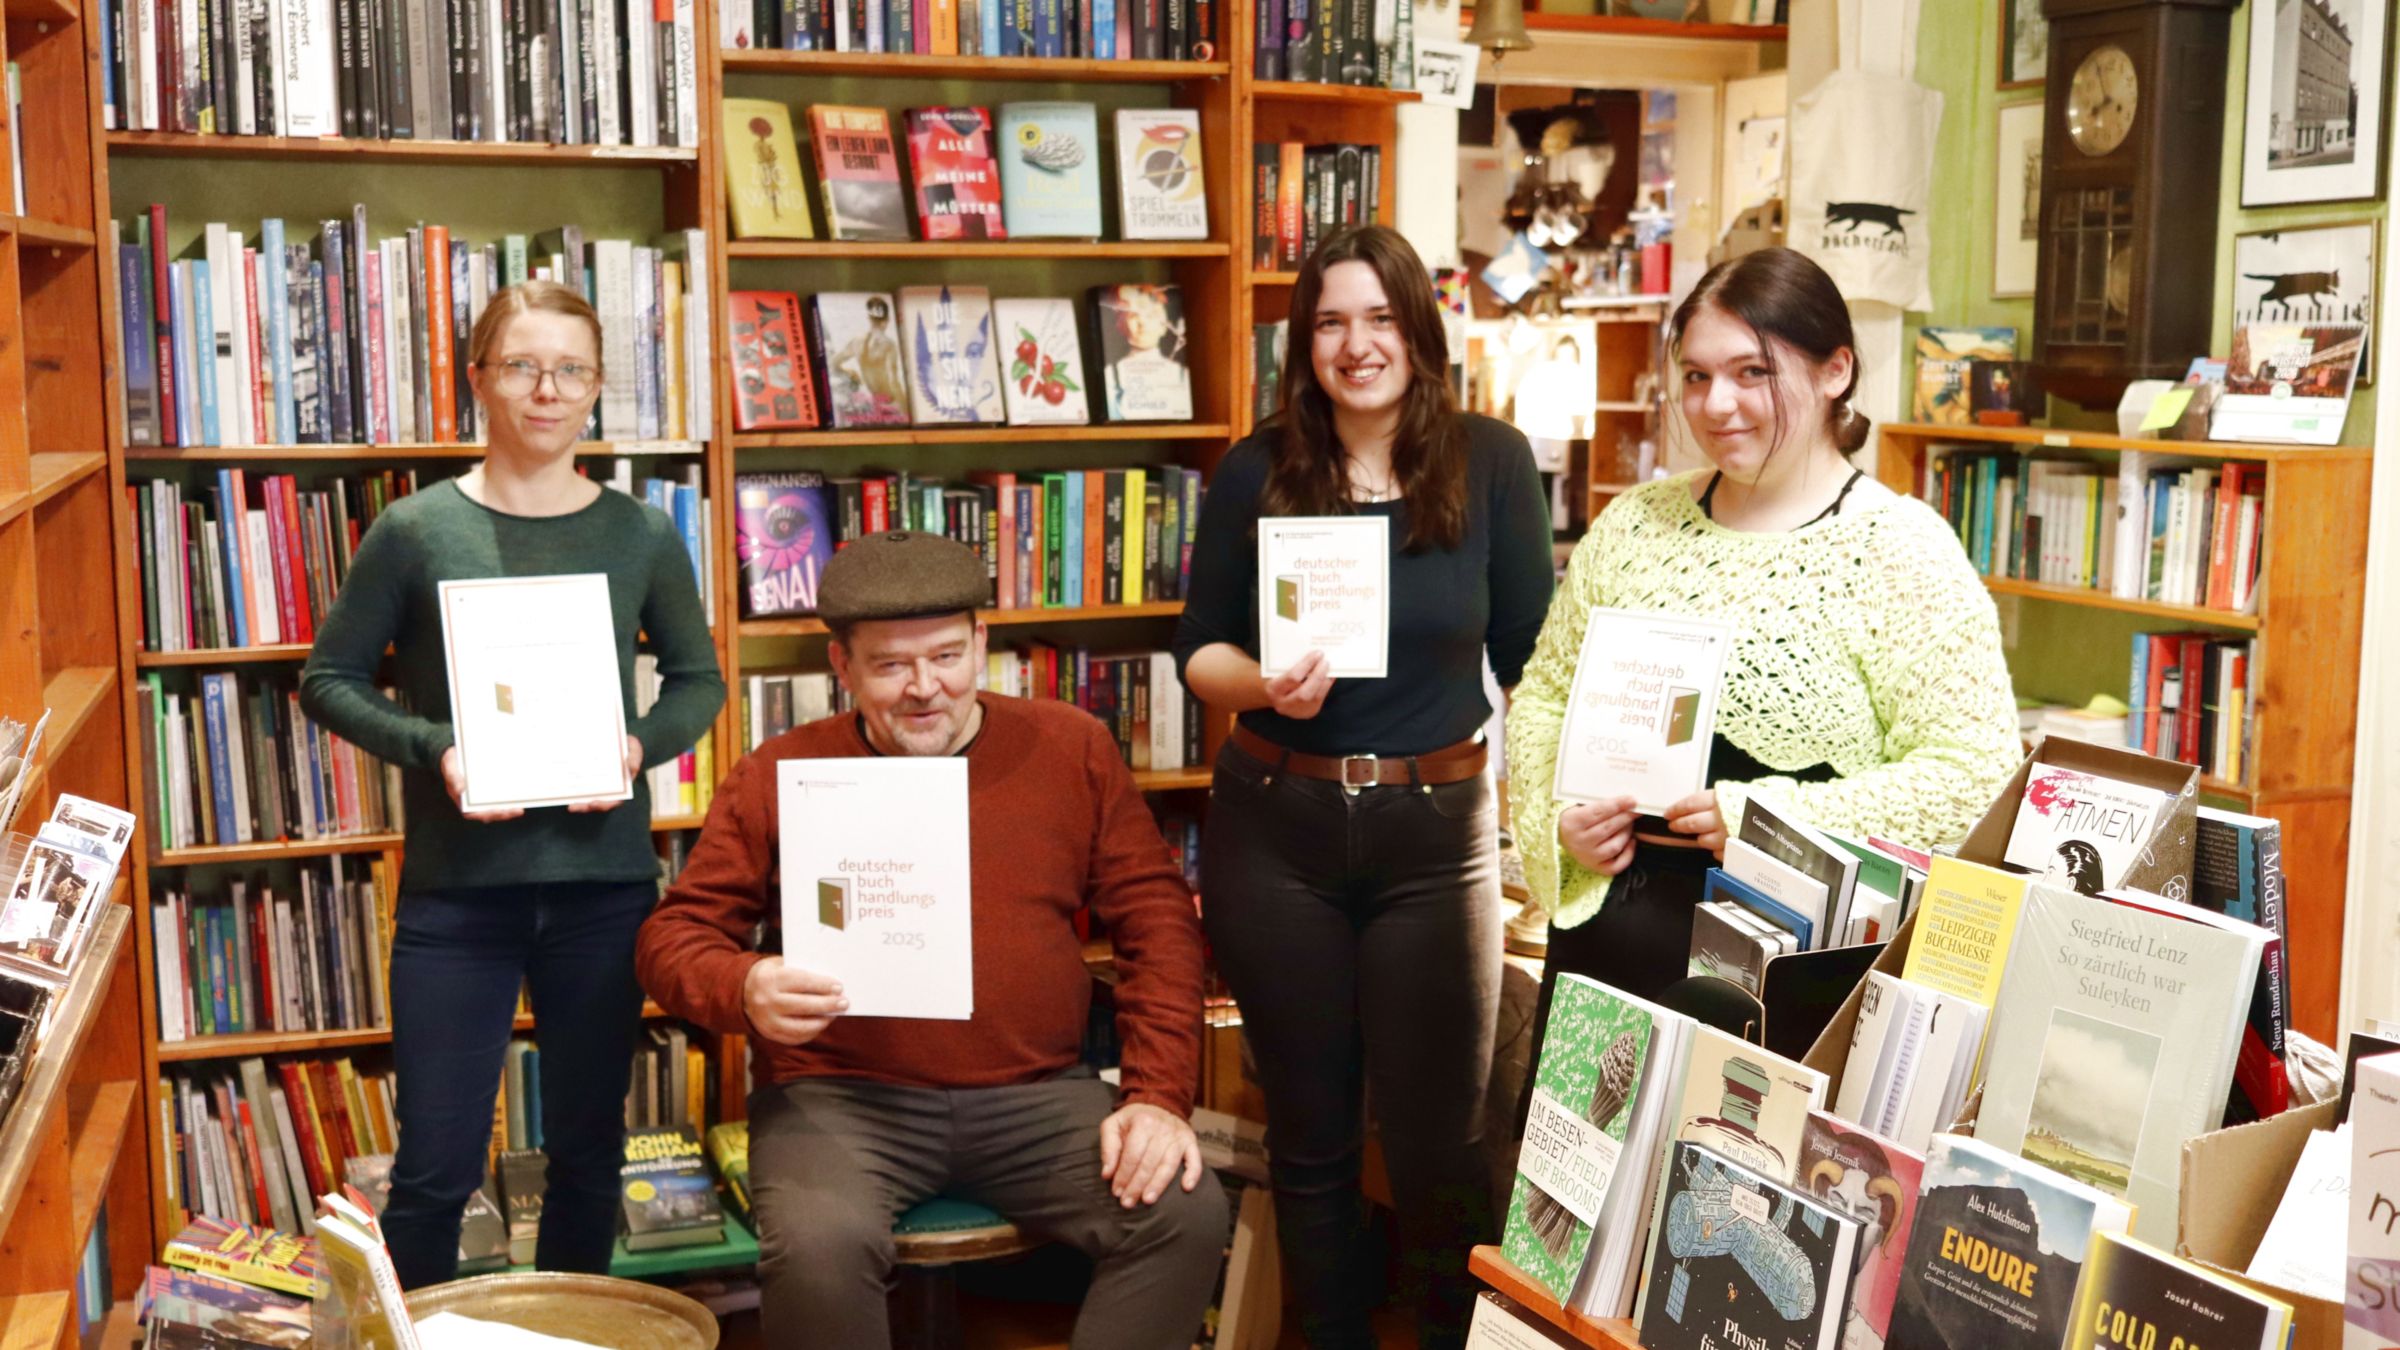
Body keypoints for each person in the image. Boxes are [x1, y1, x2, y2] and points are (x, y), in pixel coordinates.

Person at [635, 530, 1224, 1347]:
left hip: (1038, 1095)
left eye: (947, 656)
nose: (925, 689)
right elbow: (673, 936)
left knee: (1183, 1211)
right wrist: (743, 985)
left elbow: (1158, 921)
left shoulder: (1071, 747)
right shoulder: (781, 771)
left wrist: (1157, 1098)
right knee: (819, 1248)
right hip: (841, 1098)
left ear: (982, 643)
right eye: (889, 666)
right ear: (841, 668)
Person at [299, 279, 726, 1287]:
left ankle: (568, 1333)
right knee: (435, 1170)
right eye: (523, 365)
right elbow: (329, 679)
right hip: (459, 895)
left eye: (570, 368)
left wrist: (632, 746)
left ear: (596, 388)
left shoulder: (641, 535)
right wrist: (439, 748)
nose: (547, 389)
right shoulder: (415, 530)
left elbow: (700, 681)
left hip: (600, 889)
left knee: (587, 1160)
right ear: (479, 378)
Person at [1174, 224, 1555, 1349]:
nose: (1356, 344)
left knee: (1442, 1147)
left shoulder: (1490, 462)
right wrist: (1264, 686)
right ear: (1306, 343)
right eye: (1332, 321)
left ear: (1419, 330)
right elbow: (1200, 652)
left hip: (1437, 838)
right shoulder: (1257, 469)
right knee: (1313, 1141)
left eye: (1380, 317)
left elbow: (1538, 657)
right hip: (1275, 826)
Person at [1505, 246, 2019, 1045]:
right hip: (1606, 952)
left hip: (1790, 974)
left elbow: (1975, 776)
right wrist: (1560, 818)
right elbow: (1543, 699)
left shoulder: (1901, 550)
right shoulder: (1632, 526)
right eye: (1698, 376)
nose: (1718, 404)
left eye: (1753, 373)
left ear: (1835, 371)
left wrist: (1767, 815)